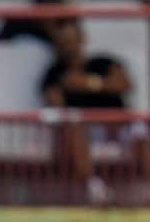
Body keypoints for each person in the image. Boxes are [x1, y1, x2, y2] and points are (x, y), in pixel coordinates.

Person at [39, 20, 149, 203]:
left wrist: (89, 83)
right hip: (86, 129)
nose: (68, 46)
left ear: (82, 38)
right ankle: (95, 188)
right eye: (63, 41)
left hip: (118, 123)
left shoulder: (104, 62)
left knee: (141, 134)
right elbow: (55, 104)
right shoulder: (54, 74)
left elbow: (125, 83)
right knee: (74, 127)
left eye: (71, 39)